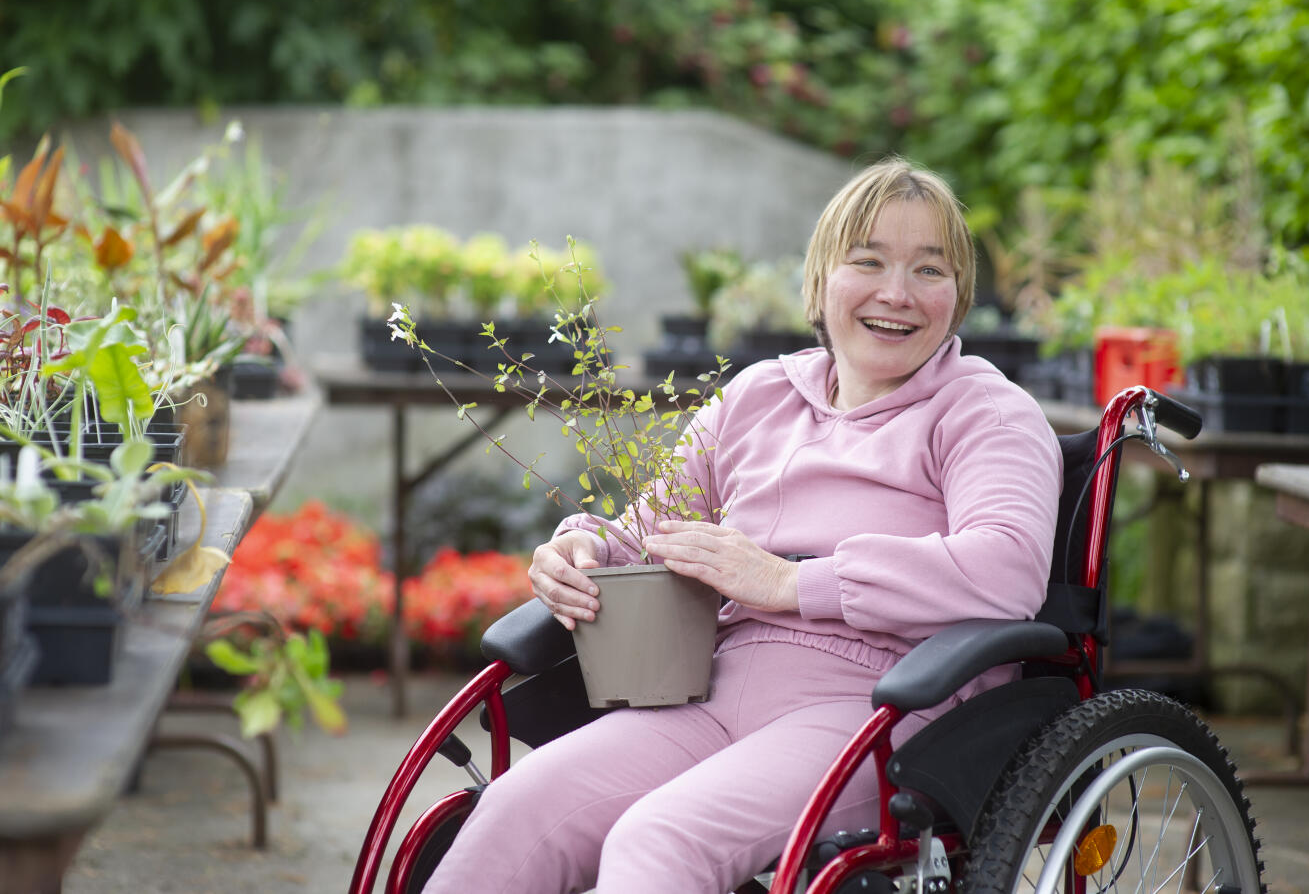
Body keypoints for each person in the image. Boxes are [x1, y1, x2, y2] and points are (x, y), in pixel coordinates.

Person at [423, 156, 1063, 893]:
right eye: (869, 261)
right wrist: (584, 548)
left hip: (879, 708)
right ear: (820, 281)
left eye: (930, 270)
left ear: (959, 295)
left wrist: (793, 582)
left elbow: (1007, 569)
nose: (897, 293)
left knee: (660, 840)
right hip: (710, 692)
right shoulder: (760, 396)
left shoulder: (986, 412)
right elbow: (654, 530)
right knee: (516, 808)